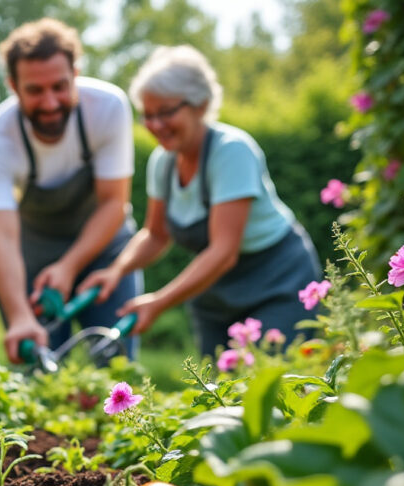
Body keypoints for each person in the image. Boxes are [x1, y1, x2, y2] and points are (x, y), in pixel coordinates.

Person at [76, 45, 322, 356]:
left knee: (273, 385)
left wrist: (159, 301)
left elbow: (224, 252)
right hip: (214, 293)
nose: (155, 125)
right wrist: (117, 270)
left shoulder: (232, 151)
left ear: (201, 105)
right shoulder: (162, 163)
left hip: (277, 281)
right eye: (148, 115)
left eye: (166, 112)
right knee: (221, 393)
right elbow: (155, 234)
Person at [0, 18, 143, 363]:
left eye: (60, 87)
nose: (50, 102)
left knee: (116, 365)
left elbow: (114, 203)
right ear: (13, 86)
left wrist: (69, 266)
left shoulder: (109, 108)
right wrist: (20, 315)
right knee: (42, 372)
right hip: (35, 259)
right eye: (35, 91)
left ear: (76, 75)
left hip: (105, 250)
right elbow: (1, 236)